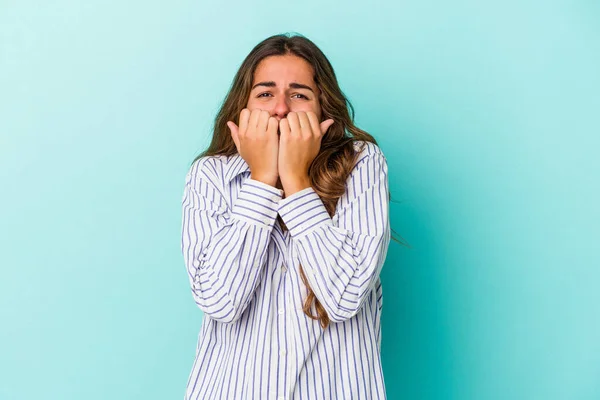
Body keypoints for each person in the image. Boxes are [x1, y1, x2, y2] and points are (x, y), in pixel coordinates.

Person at [180, 32, 393, 399]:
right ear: (242, 109)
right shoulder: (210, 175)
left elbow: (344, 297)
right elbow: (219, 301)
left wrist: (295, 179)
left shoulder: (362, 163)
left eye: (298, 95)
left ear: (322, 109)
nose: (281, 108)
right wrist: (263, 180)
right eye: (265, 94)